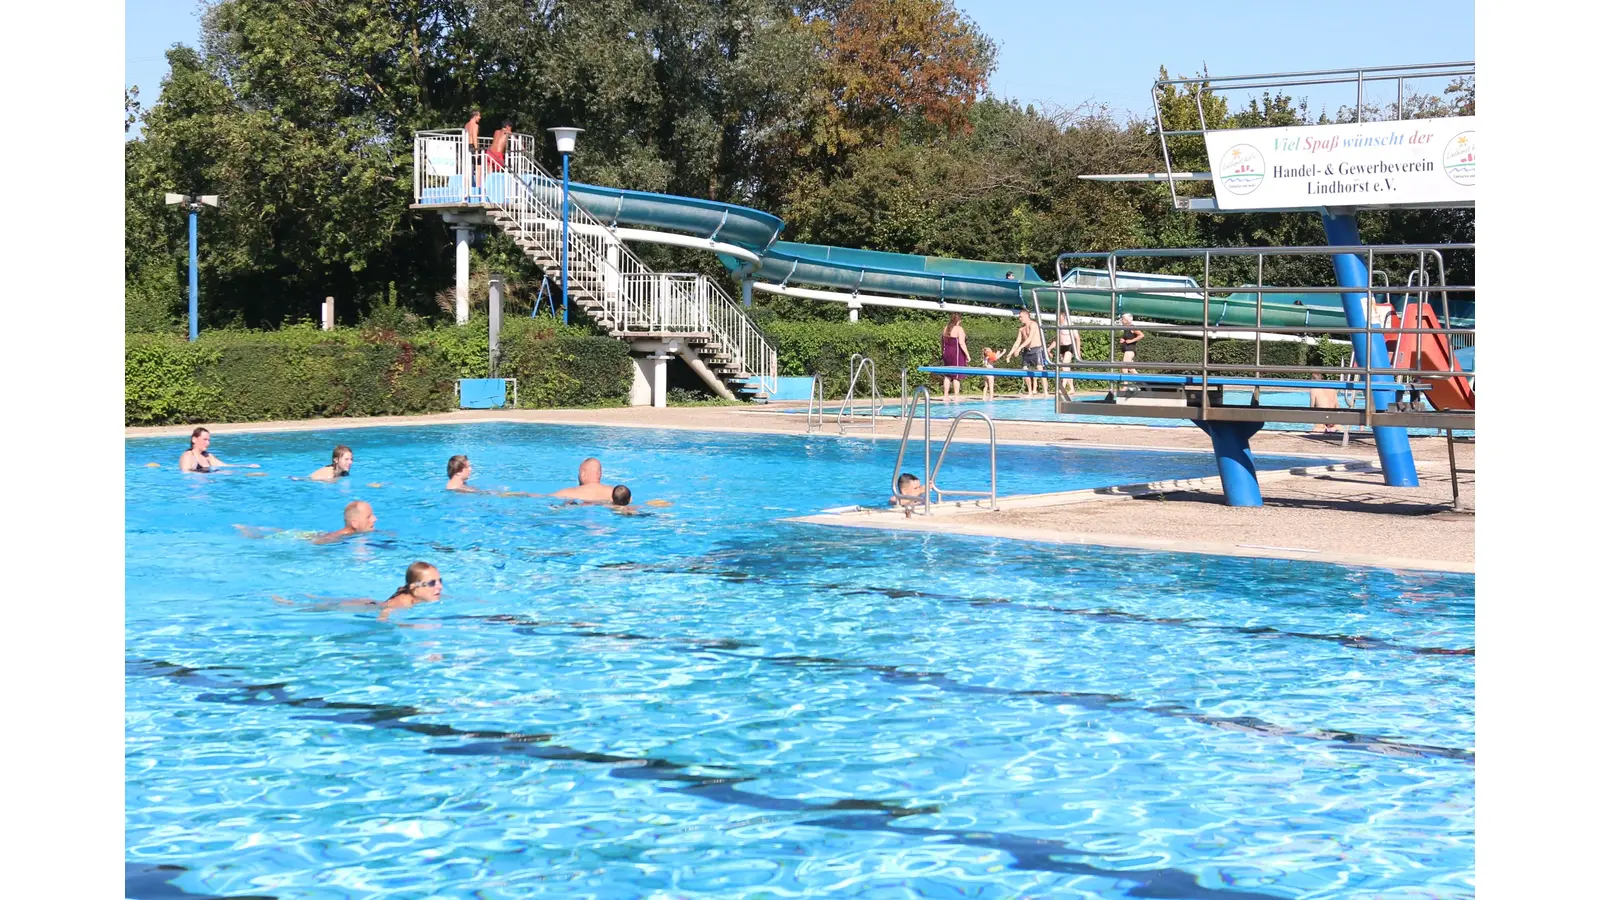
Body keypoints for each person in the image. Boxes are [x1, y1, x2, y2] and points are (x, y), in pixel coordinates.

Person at [378, 561, 444, 622]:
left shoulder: (428, 595)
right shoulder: (401, 602)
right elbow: (382, 620)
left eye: (440, 581)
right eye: (431, 583)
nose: (440, 586)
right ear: (414, 587)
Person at [1003, 309, 1048, 397]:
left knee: (1040, 370)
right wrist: (1010, 354)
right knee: (1025, 370)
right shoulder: (1021, 329)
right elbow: (1017, 342)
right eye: (1019, 317)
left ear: (1027, 316)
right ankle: (1030, 392)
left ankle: (1045, 392)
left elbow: (1030, 339)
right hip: (1027, 351)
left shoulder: (1033, 324)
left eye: (1021, 317)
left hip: (1036, 350)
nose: (1020, 319)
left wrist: (1019, 348)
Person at [179, 427, 258, 473]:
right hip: (196, 489)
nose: (208, 443)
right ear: (194, 439)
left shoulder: (208, 456)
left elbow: (225, 466)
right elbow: (185, 473)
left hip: (209, 482)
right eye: (205, 440)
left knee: (236, 473)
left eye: (209, 440)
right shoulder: (188, 456)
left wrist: (247, 466)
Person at [312, 501, 378, 545]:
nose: (375, 519)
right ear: (355, 524)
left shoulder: (365, 531)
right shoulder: (335, 538)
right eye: (368, 517)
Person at [940, 313, 971, 402]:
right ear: (959, 320)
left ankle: (945, 396)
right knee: (956, 376)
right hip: (956, 354)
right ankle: (956, 396)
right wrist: (968, 355)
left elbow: (942, 343)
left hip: (947, 354)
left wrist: (943, 352)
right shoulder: (959, 329)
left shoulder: (945, 328)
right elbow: (962, 343)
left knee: (947, 375)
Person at [465, 110, 482, 193]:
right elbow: (474, 137)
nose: (480, 117)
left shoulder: (466, 125)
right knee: (479, 167)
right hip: (472, 146)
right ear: (475, 116)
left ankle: (467, 186)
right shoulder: (475, 125)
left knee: (469, 167)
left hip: (466, 147)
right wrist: (476, 151)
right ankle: (478, 187)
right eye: (479, 116)